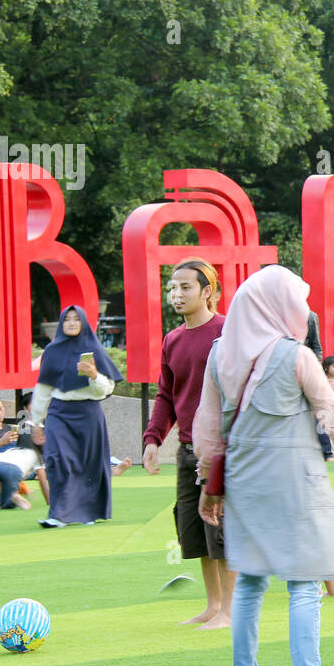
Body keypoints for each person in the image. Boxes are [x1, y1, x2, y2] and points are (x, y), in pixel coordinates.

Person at [195, 264, 334, 666]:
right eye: (296, 301)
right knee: (304, 582)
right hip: (291, 475)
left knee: (249, 579)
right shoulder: (296, 354)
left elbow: (208, 427)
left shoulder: (219, 352)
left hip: (242, 478)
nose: (302, 309)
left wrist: (209, 486)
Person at [142, 258, 233, 628]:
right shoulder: (173, 340)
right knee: (193, 529)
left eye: (185, 288)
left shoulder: (229, 333)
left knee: (223, 530)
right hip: (187, 449)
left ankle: (230, 610)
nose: (175, 295)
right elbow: (166, 395)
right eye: (172, 288)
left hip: (222, 451)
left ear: (207, 291)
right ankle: (213, 606)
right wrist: (153, 438)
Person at [29, 306, 122, 528]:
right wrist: (36, 422)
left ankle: (87, 513)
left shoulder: (93, 349)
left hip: (89, 413)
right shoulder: (52, 350)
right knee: (57, 460)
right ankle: (59, 514)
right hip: (59, 413)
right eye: (67, 319)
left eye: (76, 319)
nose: (71, 323)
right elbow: (42, 388)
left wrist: (93, 375)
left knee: (89, 464)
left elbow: (106, 390)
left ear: (83, 322)